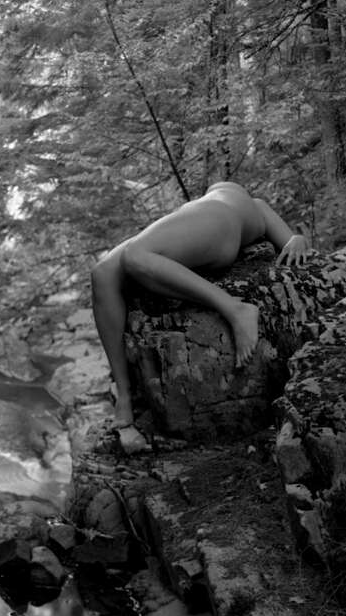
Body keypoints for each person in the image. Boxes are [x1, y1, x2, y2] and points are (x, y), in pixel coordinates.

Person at [91, 181, 310, 448]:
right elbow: (293, 239)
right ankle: (123, 393)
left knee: (136, 256)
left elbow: (292, 239)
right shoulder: (225, 207)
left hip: (218, 222)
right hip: (206, 228)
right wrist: (296, 239)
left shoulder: (256, 205)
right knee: (102, 273)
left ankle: (235, 308)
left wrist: (297, 240)